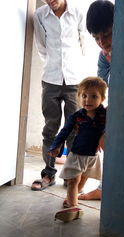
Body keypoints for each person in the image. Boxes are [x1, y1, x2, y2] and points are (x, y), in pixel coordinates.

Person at [31, 0, 86, 190]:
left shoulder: (78, 12)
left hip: (74, 80)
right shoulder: (39, 15)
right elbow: (41, 46)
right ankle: (48, 174)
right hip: (51, 79)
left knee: (74, 130)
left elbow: (83, 43)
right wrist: (53, 67)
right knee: (50, 129)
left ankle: (70, 177)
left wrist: (76, 69)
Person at [48, 76, 107, 222]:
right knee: (73, 180)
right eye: (84, 96)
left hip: (93, 155)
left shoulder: (104, 115)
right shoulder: (76, 116)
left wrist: (104, 136)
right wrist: (56, 146)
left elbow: (109, 127)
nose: (88, 100)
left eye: (94, 96)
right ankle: (73, 207)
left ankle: (70, 199)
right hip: (77, 154)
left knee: (83, 177)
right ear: (79, 96)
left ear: (102, 98)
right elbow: (64, 131)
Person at [78, 0, 114, 200]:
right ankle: (103, 187)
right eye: (96, 38)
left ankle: (105, 188)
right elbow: (102, 89)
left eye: (106, 35)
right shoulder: (103, 56)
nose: (102, 42)